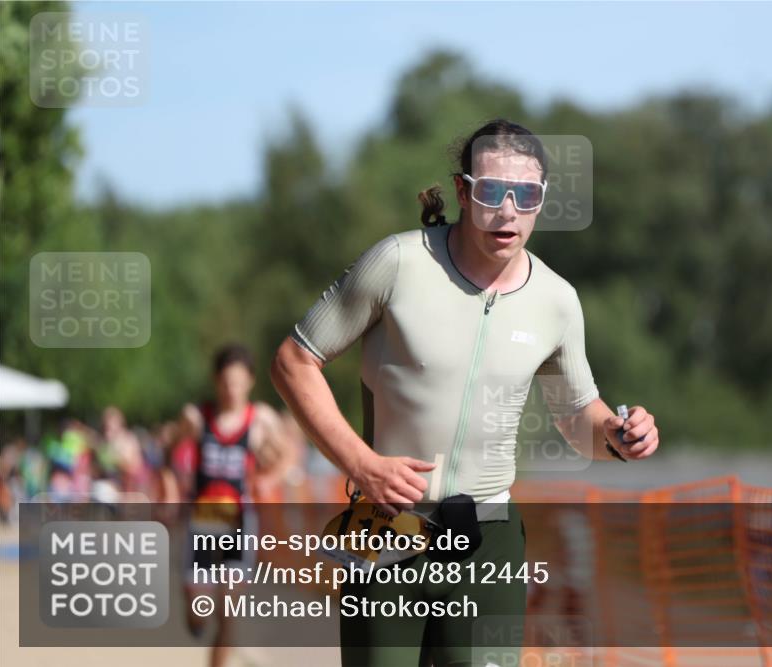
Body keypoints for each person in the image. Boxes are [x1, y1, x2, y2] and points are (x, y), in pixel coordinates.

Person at [270, 119, 660, 666]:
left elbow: (578, 419)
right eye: (490, 191)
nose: (507, 210)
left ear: (541, 200)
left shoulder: (556, 301)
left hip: (487, 544)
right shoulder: (398, 263)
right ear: (462, 191)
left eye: (525, 194)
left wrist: (620, 436)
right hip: (388, 534)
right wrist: (360, 464)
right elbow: (294, 361)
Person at [177, 343, 286, 667]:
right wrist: (172, 480)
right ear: (215, 381)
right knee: (200, 607)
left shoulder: (260, 419)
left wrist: (270, 477)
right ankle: (195, 618)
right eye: (226, 382)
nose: (232, 390)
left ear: (250, 382)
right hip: (204, 517)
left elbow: (288, 453)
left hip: (240, 519)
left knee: (229, 610)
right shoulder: (198, 417)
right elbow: (172, 449)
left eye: (238, 382)